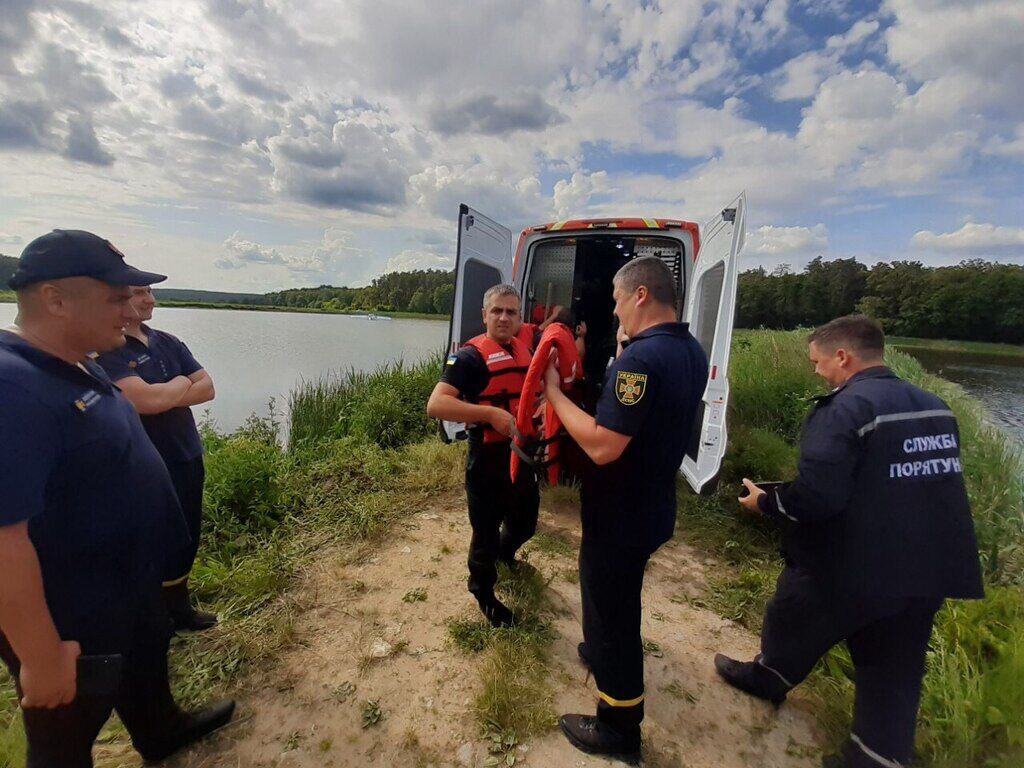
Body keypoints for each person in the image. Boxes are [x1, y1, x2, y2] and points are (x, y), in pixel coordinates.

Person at [0, 230, 234, 768]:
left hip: (129, 582)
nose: (130, 308)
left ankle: (161, 731)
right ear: (55, 299)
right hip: (73, 614)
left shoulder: (78, 358)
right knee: (64, 738)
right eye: (115, 297)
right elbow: (5, 538)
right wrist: (40, 656)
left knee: (147, 665)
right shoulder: (14, 385)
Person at [714, 315, 984, 768]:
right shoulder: (935, 405)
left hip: (854, 565)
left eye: (818, 362)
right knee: (894, 673)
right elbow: (904, 480)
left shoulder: (845, 409)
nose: (816, 371)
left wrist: (767, 503)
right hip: (927, 569)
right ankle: (876, 757)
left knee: (791, 610)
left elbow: (817, 498)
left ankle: (769, 677)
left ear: (843, 356)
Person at [541, 256, 708, 763]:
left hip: (621, 516)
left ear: (640, 296)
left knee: (613, 614)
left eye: (617, 302)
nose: (615, 314)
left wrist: (552, 392)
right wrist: (620, 355)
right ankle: (599, 649)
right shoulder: (689, 350)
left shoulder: (640, 362)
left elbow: (602, 446)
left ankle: (618, 726)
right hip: (652, 505)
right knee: (611, 600)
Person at [95, 285, 217, 631]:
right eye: (137, 292)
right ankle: (149, 618)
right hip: (143, 464)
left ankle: (179, 610)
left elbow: (208, 388)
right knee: (149, 541)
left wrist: (166, 392)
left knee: (186, 535)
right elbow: (145, 401)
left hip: (186, 453)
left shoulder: (168, 341)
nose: (149, 299)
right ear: (115, 299)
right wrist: (180, 383)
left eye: (150, 292)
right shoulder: (108, 347)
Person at [426, 284, 540, 627]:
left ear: (520, 317)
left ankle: (508, 553)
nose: (504, 318)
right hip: (487, 458)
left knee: (525, 522)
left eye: (511, 312)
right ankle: (484, 593)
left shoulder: (525, 349)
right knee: (485, 532)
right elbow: (436, 404)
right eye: (497, 311)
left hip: (520, 453)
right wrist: (489, 415)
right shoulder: (467, 357)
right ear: (484, 315)